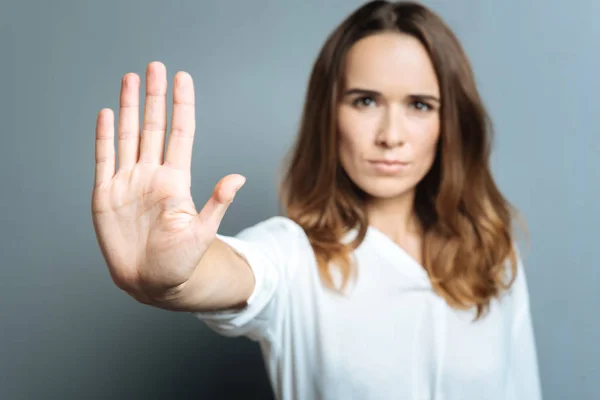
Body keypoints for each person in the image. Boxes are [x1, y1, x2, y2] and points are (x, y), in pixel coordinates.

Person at [91, 1, 542, 399]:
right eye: (365, 101)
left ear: (451, 122)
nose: (391, 136)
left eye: (420, 105)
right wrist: (173, 279)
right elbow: (236, 272)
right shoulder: (294, 257)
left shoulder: (492, 254)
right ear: (329, 115)